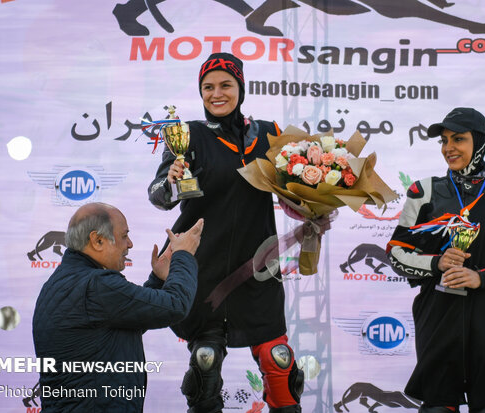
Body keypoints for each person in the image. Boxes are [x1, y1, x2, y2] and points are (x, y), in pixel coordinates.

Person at [147, 52, 304, 413]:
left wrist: (315, 206)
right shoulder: (188, 135)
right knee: (206, 359)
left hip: (258, 267)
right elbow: (158, 196)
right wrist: (170, 182)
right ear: (200, 92)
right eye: (208, 87)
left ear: (241, 88)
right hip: (204, 269)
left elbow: (291, 197)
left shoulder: (270, 134)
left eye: (225, 85)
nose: (217, 93)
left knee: (279, 361)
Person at [386, 108, 485, 413]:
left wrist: (480, 278)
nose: (448, 147)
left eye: (458, 139)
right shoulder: (424, 190)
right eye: (444, 140)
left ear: (481, 143)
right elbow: (395, 251)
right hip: (439, 319)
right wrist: (437, 263)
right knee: (437, 406)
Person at [32, 202, 203, 412]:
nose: (129, 244)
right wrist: (184, 256)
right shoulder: (96, 286)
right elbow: (176, 305)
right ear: (97, 240)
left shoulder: (59, 283)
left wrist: (158, 279)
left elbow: (123, 323)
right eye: (124, 236)